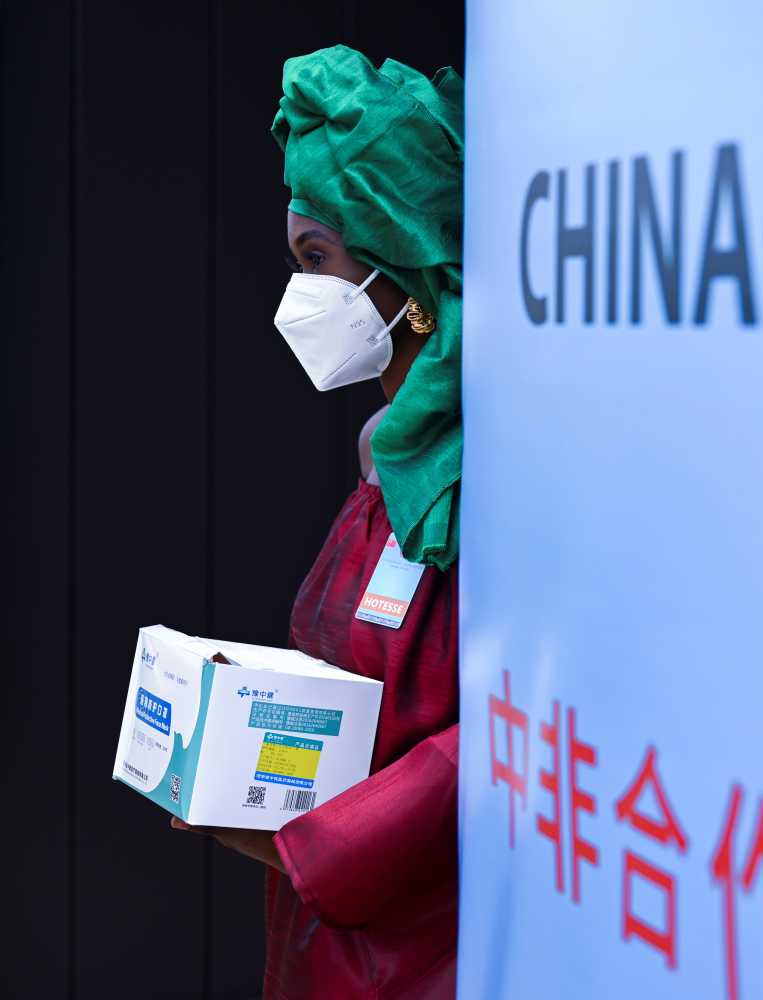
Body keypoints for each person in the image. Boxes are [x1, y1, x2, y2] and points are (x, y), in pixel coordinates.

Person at [170, 45, 465, 999]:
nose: (301, 295)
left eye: (317, 260)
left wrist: (302, 843)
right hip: (324, 937)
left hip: (425, 951)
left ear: (405, 271)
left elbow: (494, 746)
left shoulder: (481, 489)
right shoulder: (389, 455)